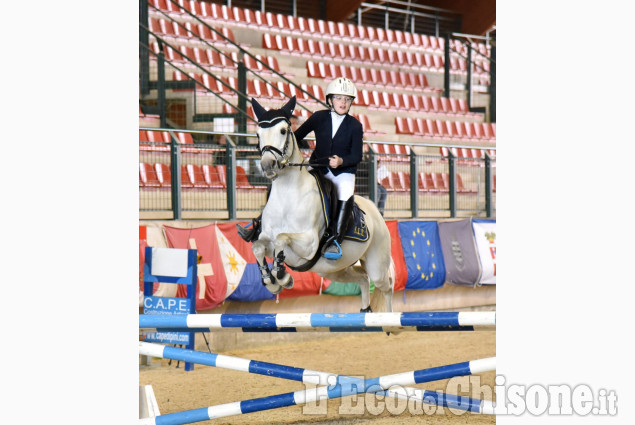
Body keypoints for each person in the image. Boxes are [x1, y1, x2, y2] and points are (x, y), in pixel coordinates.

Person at [294, 77, 363, 260]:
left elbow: (357, 156)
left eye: (347, 99)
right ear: (330, 99)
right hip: (319, 167)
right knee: (294, 183)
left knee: (346, 194)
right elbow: (297, 136)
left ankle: (335, 239)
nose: (343, 102)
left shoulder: (355, 126)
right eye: (339, 98)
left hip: (343, 173)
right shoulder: (318, 117)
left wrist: (342, 161)